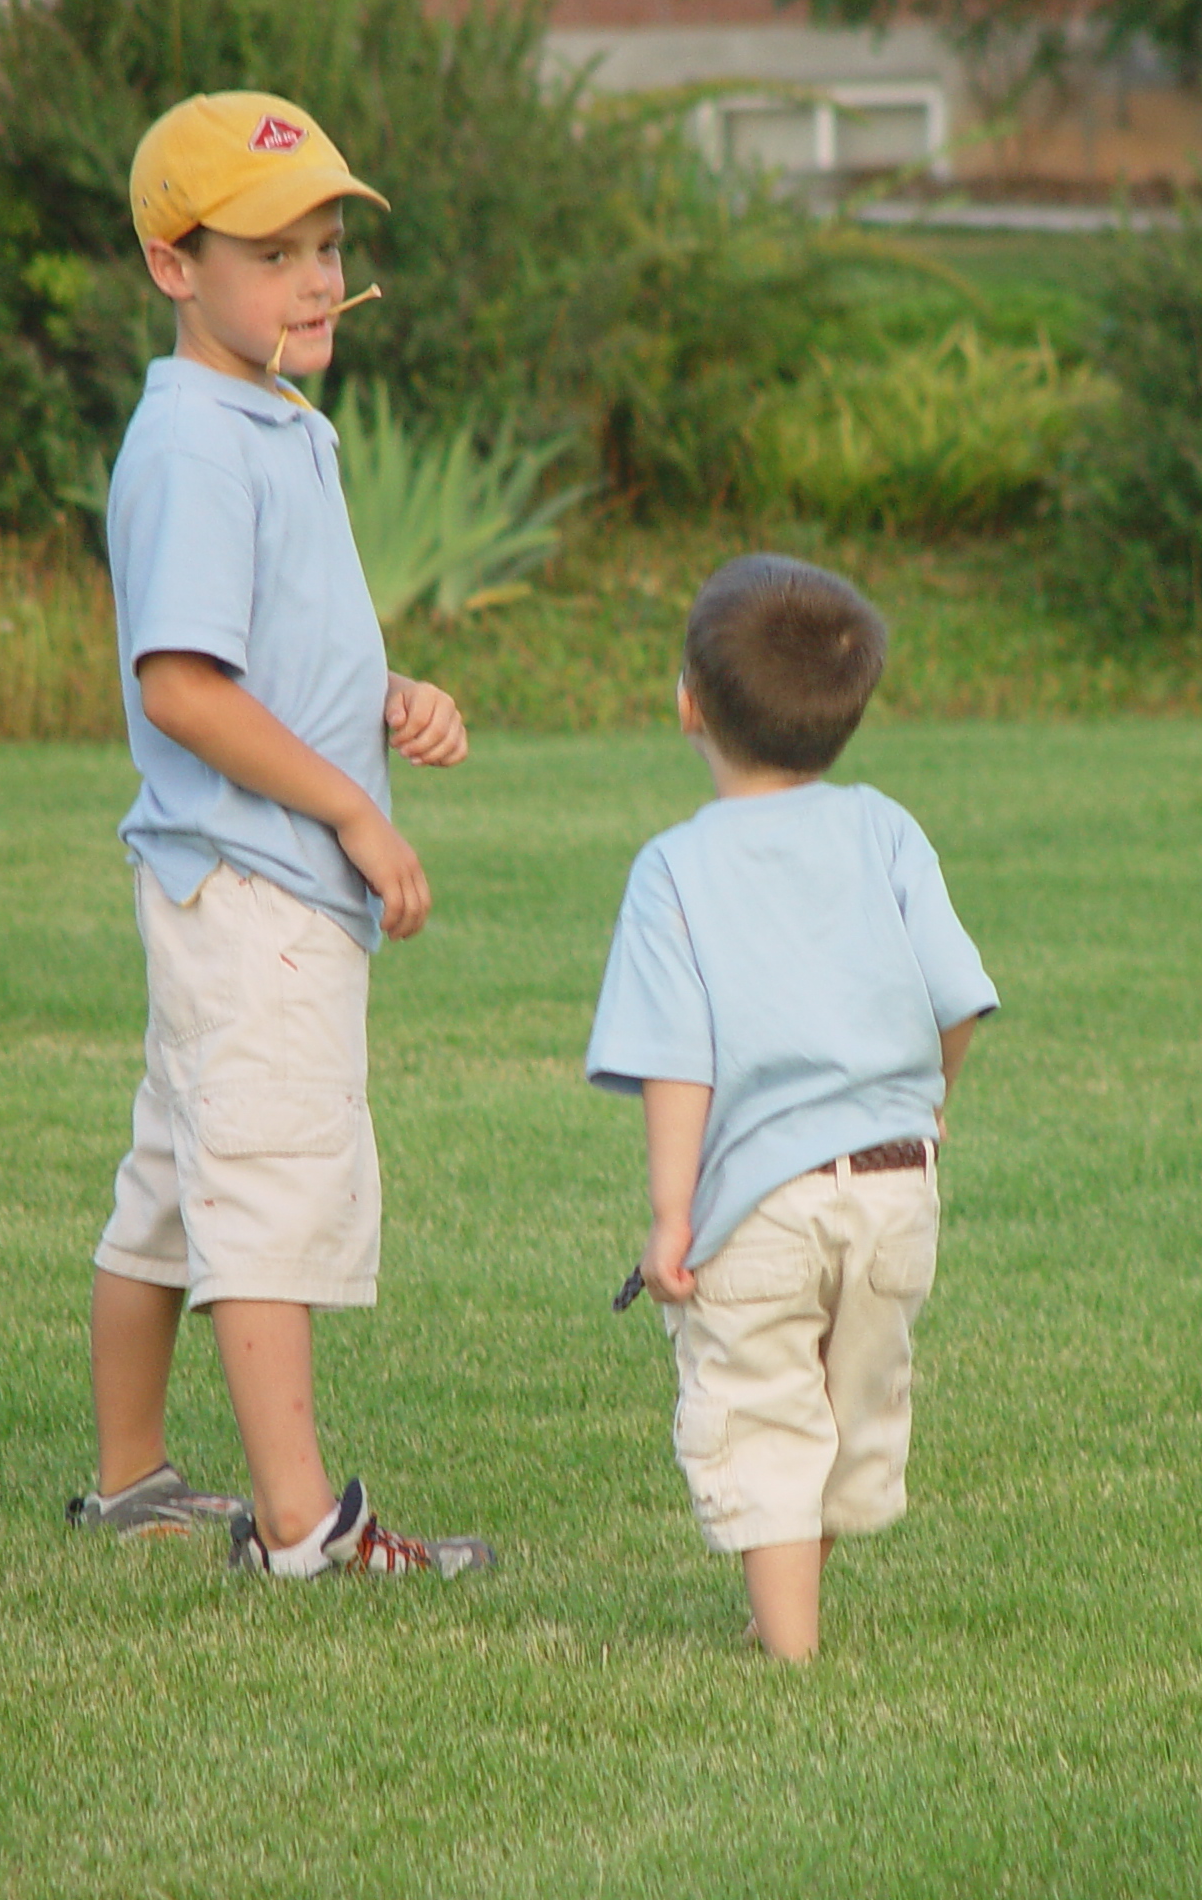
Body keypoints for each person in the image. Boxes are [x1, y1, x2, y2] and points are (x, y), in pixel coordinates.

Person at [65, 91, 491, 1579]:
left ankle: (131, 1483)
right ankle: (305, 1532)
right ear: (175, 265)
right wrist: (355, 809)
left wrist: (391, 697)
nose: (315, 277)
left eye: (325, 244)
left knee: (177, 1182)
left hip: (236, 878)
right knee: (261, 1185)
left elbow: (278, 648)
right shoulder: (193, 438)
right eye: (272, 250)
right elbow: (181, 682)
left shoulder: (273, 418)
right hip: (255, 887)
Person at [586, 555, 997, 1659]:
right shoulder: (886, 830)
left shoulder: (673, 869)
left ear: (689, 703)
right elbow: (958, 998)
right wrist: (930, 1104)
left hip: (763, 1202)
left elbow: (677, 1061)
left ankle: (792, 1655)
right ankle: (791, 1619)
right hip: (895, 1184)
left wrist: (672, 1217)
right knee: (846, 1402)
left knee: (765, 1411)